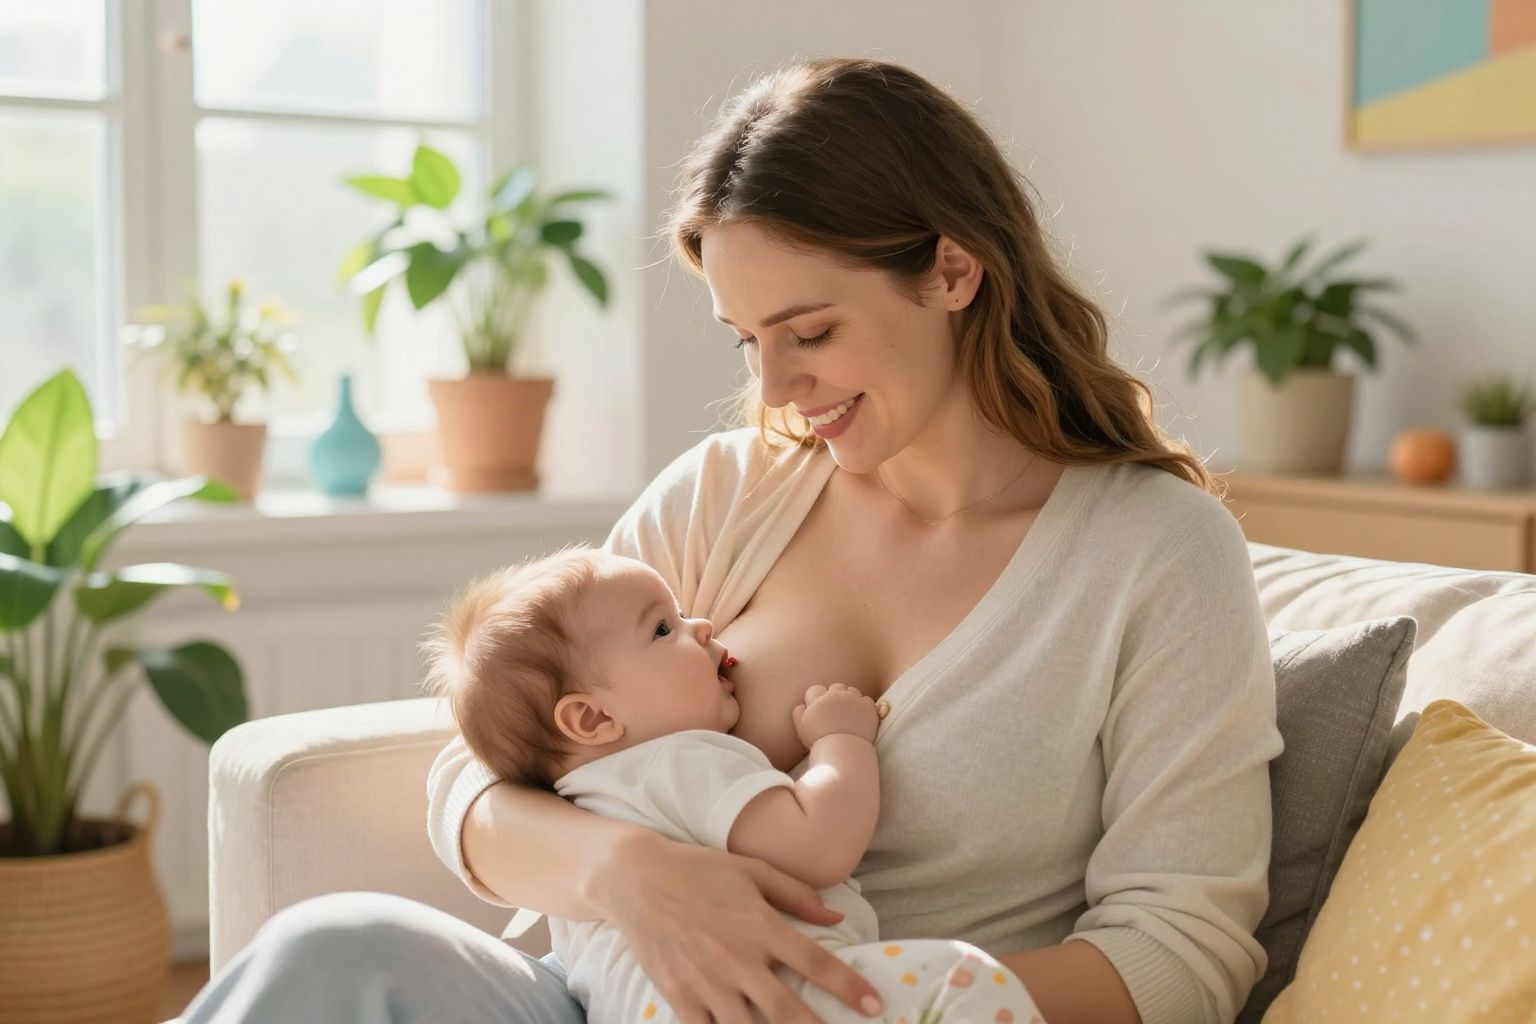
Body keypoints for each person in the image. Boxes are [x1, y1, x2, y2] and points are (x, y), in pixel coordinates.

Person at [181, 55, 1284, 1024]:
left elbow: (1183, 955)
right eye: (747, 339)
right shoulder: (731, 491)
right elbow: (474, 778)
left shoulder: (1156, 554)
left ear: (952, 271)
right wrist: (632, 874)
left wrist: (885, 998)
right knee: (330, 954)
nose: (776, 387)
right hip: (609, 999)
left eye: (810, 332)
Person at [419, 546, 1048, 1024]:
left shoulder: (572, 807)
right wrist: (841, 743)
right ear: (592, 718)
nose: (701, 624)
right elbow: (820, 843)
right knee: (964, 984)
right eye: (663, 629)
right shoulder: (681, 761)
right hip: (773, 999)